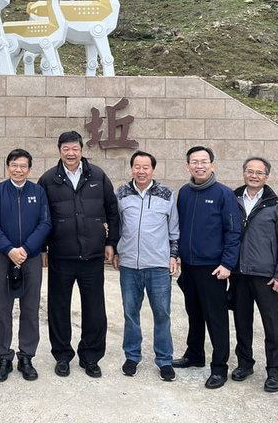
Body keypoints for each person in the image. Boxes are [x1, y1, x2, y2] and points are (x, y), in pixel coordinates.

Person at [38, 130, 120, 378]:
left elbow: (112, 211)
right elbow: (40, 218)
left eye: (75, 148)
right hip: (61, 256)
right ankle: (62, 356)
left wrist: (111, 242)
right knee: (59, 308)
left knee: (95, 309)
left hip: (93, 255)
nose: (71, 153)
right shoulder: (49, 179)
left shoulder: (98, 175)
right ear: (59, 151)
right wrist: (42, 248)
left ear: (82, 150)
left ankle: (91, 357)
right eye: (66, 149)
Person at [173, 145, 240, 389]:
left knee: (216, 319)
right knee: (194, 313)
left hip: (213, 268)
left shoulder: (223, 194)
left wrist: (227, 264)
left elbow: (233, 232)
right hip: (189, 266)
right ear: (187, 166)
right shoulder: (185, 192)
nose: (199, 166)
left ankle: (219, 367)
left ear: (212, 165)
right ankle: (194, 354)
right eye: (194, 161)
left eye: (204, 161)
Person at [0, 148, 52, 382]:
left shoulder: (38, 192)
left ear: (30, 169)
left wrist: (26, 249)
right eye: (14, 165)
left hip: (30, 257)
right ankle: (4, 356)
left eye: (23, 166)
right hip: (5, 256)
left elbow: (45, 223)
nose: (18, 169)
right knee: (3, 308)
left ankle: (26, 356)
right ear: (7, 166)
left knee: (30, 307)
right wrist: (10, 250)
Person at [113, 150, 179, 381]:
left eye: (146, 167)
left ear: (153, 169)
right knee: (131, 314)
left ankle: (164, 360)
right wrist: (117, 250)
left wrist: (173, 256)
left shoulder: (166, 193)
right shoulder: (121, 193)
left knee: (162, 314)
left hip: (158, 266)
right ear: (131, 168)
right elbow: (116, 226)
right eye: (137, 167)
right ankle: (132, 356)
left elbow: (174, 230)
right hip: (129, 265)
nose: (141, 171)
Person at [231, 157, 278, 392]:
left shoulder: (277, 205)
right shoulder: (233, 199)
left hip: (266, 275)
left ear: (266, 177)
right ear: (244, 173)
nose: (254, 175)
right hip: (239, 273)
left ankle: (276, 370)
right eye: (250, 171)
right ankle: (245, 364)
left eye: (259, 172)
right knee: (241, 322)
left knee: (273, 325)